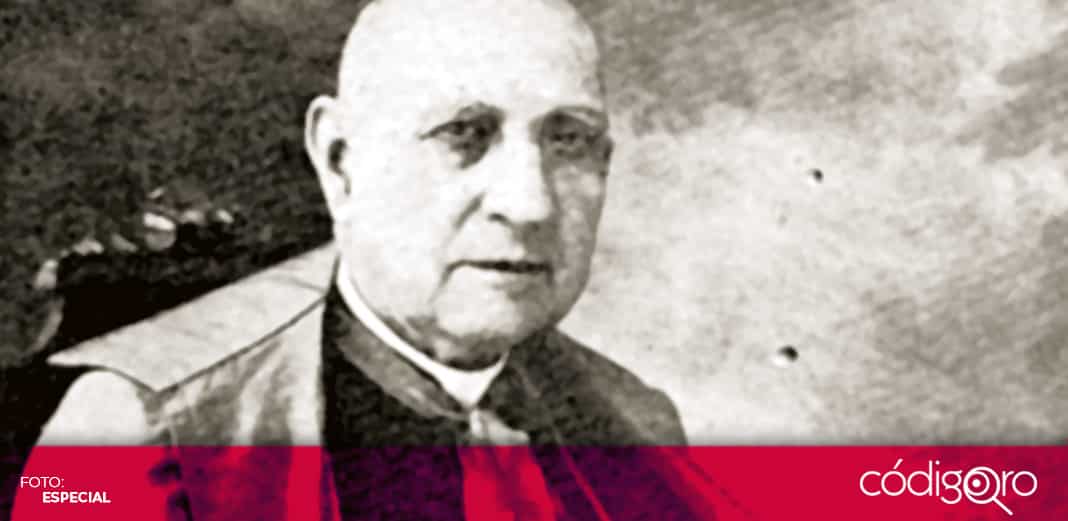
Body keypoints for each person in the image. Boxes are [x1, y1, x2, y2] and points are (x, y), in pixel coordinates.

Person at [17, 0, 716, 519]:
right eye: (465, 133)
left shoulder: (638, 423)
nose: (530, 203)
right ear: (340, 161)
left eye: (569, 140)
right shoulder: (130, 428)